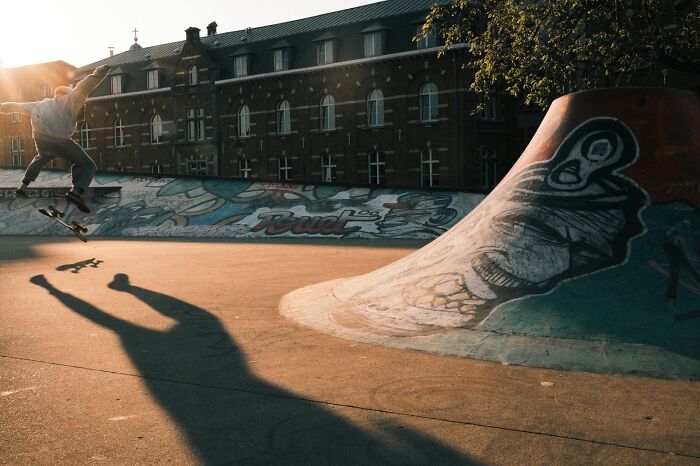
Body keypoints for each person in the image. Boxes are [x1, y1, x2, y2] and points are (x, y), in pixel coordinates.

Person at [0, 64, 111, 213]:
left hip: (41, 139)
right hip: (61, 141)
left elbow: (14, 106)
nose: (81, 108)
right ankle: (76, 192)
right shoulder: (72, 99)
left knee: (40, 158)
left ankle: (23, 186)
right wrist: (101, 71)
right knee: (87, 164)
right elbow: (87, 84)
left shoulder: (39, 104)